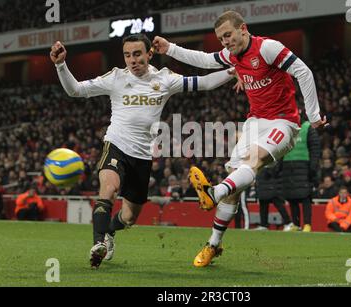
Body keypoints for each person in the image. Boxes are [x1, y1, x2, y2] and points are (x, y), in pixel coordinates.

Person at [153, 10, 326, 267]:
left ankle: (213, 193)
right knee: (236, 184)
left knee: (252, 161)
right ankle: (213, 244)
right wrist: (170, 48)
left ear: (243, 29)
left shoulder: (268, 48)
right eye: (221, 38)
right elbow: (203, 59)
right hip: (254, 122)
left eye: (228, 35)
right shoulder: (230, 55)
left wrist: (313, 115)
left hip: (283, 122)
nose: (225, 41)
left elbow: (304, 73)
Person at [50, 34, 237, 269]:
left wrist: (234, 71)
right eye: (127, 55)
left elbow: (206, 83)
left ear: (149, 54)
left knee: (128, 218)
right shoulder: (116, 77)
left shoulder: (165, 79)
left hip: (142, 157)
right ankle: (98, 244)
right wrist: (60, 65)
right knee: (109, 188)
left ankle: (109, 231)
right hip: (116, 145)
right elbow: (75, 90)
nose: (132, 60)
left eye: (137, 54)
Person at [281, 119, 321, 232]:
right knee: (292, 197)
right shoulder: (287, 128)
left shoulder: (308, 127)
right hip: (288, 168)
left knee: (305, 197)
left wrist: (313, 166)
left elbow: (315, 148)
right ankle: (296, 224)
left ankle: (307, 224)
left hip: (304, 166)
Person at [255, 163, 294, 231]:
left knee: (277, 202)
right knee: (263, 202)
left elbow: (277, 167)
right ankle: (263, 224)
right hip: (263, 181)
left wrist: (269, 170)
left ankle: (288, 223)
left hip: (272, 182)